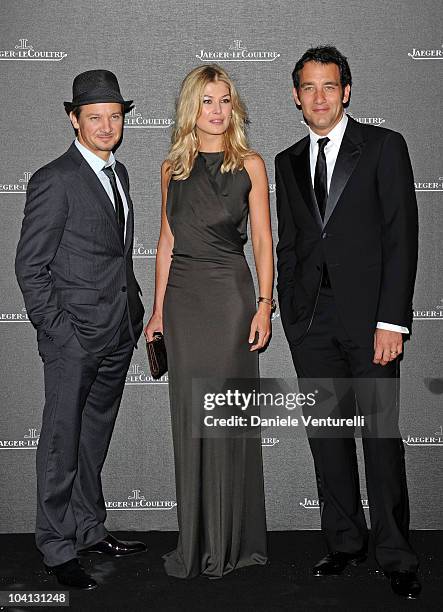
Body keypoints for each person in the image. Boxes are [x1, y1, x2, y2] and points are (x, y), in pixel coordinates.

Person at [275, 46, 420, 599]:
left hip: (371, 322)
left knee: (379, 438)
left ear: (346, 91)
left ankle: (397, 555)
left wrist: (392, 321)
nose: (319, 97)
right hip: (312, 323)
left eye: (329, 87)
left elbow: (400, 237)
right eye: (308, 88)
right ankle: (344, 542)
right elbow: (291, 243)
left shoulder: (383, 146)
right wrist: (292, 314)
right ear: (296, 95)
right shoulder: (288, 161)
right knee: (327, 439)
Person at [15, 70, 147, 590]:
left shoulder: (121, 173)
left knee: (92, 441)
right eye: (95, 117)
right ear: (74, 119)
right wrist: (58, 332)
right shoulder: (56, 178)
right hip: (74, 338)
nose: (106, 125)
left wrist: (130, 317)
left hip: (116, 331)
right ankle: (55, 544)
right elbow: (31, 266)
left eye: (114, 116)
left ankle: (90, 530)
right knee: (60, 443)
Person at [145, 64, 273, 578]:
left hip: (229, 300)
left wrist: (265, 303)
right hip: (182, 303)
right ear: (191, 108)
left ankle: (231, 542)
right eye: (207, 101)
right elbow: (166, 243)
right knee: (189, 419)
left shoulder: (251, 165)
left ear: (233, 107)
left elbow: (263, 240)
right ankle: (196, 540)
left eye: (224, 100)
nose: (217, 111)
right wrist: (156, 311)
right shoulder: (171, 168)